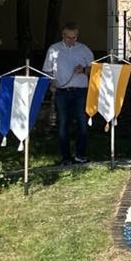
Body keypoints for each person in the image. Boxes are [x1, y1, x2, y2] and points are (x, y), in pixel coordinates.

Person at [42, 21, 94, 166]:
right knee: (63, 124)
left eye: (74, 37)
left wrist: (83, 70)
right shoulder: (54, 49)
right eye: (69, 37)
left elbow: (95, 69)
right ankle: (66, 158)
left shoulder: (84, 49)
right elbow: (47, 70)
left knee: (82, 123)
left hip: (80, 91)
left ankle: (80, 155)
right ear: (63, 35)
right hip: (62, 91)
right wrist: (52, 83)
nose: (71, 40)